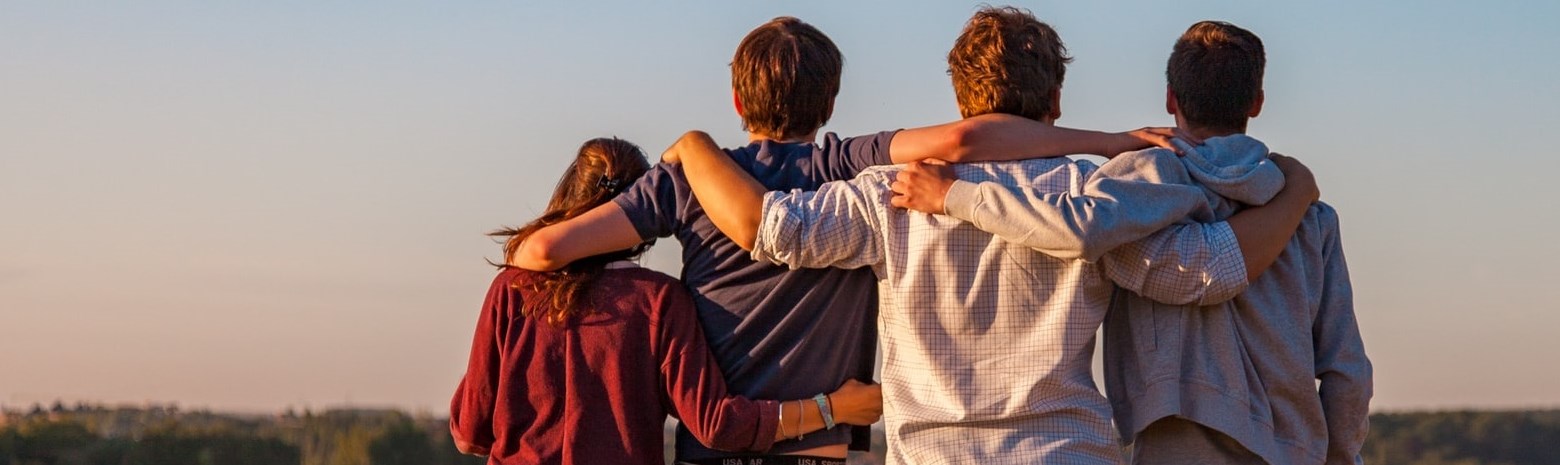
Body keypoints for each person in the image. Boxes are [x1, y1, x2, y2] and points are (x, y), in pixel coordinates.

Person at [507, 16, 1182, 465]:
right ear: (831, 102)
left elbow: (541, 254)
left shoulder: (703, 181)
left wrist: (682, 171)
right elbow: (966, 141)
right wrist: (1115, 141)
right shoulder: (852, 166)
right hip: (858, 444)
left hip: (740, 444)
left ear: (737, 102)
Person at [666, 7, 1320, 464]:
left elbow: (774, 230)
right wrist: (1295, 191)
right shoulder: (1091, 193)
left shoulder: (890, 191)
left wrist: (694, 148)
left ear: (960, 100)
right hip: (1067, 453)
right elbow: (1203, 274)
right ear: (1056, 100)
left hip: (931, 454)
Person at [900, 21, 1374, 465]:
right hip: (1298, 448)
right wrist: (1340, 455)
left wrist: (953, 196)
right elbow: (1346, 367)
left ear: (1171, 99)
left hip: (1178, 440)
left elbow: (1080, 227)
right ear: (1257, 101)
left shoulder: (1140, 184)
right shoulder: (1311, 218)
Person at [448, 137, 883, 465]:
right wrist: (835, 407)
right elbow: (717, 425)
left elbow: (470, 433)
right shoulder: (658, 301)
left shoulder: (513, 289)